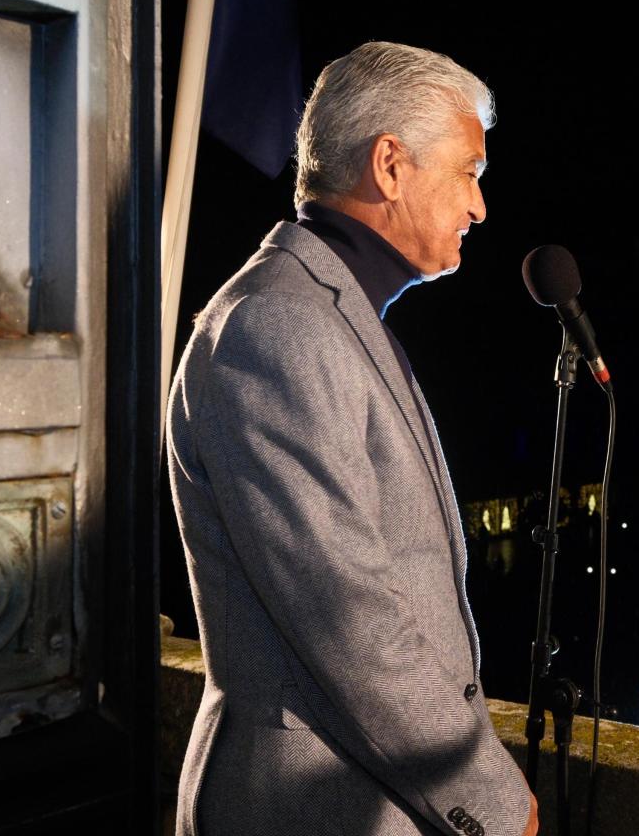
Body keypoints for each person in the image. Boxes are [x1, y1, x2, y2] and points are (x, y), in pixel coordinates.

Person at [167, 41, 538, 836]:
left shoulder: (325, 316)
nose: (479, 208)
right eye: (470, 172)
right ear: (391, 164)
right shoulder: (279, 326)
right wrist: (497, 805)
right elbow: (351, 621)